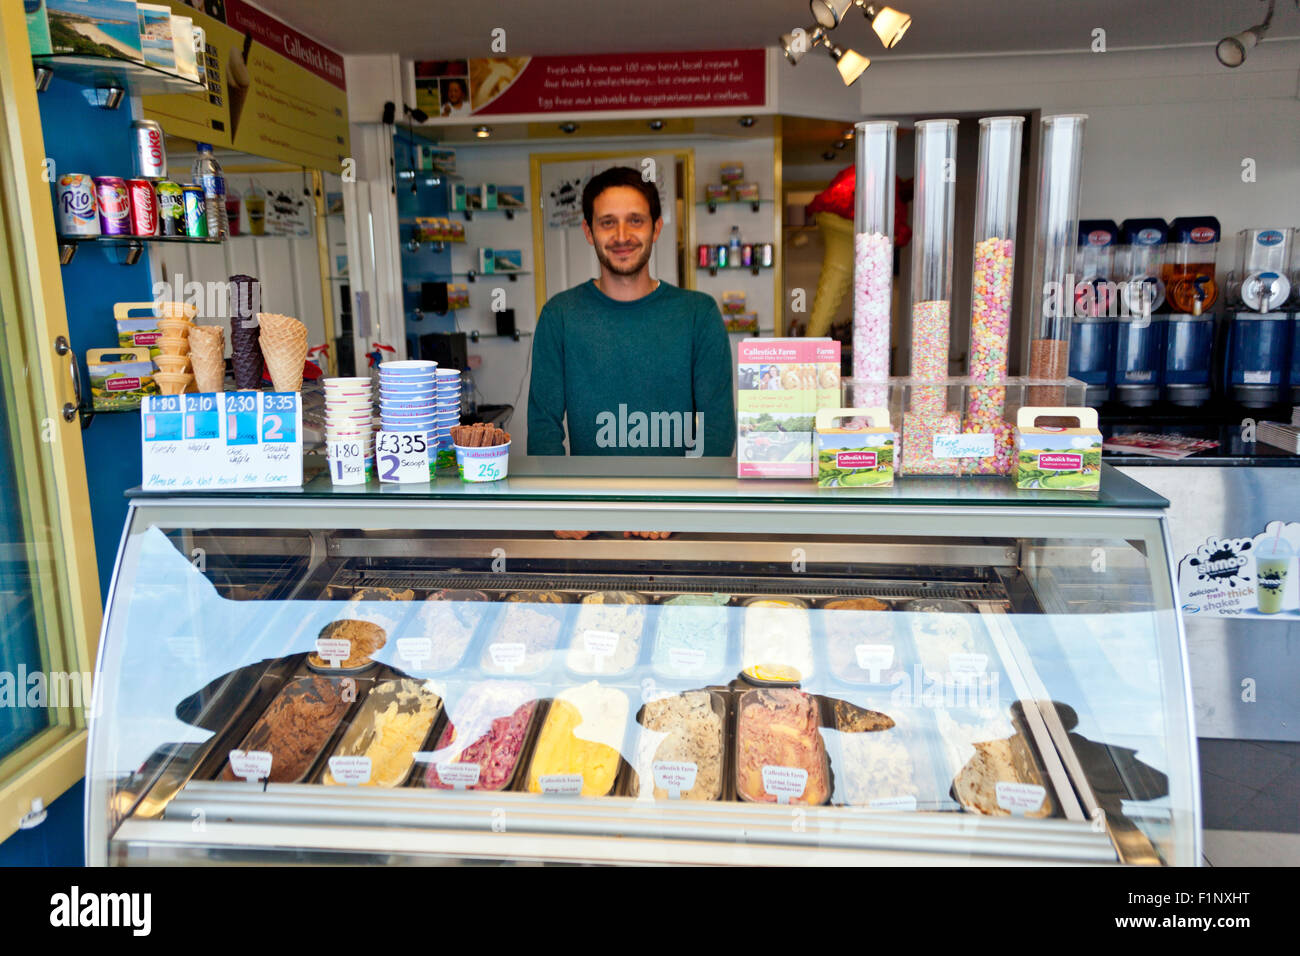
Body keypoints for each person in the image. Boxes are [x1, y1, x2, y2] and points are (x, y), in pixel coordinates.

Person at [527, 166, 736, 459]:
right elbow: (542, 429)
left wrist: (692, 498)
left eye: (635, 220)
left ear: (656, 228)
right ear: (589, 232)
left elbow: (718, 427)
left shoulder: (699, 314)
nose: (622, 236)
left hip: (678, 499)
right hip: (590, 500)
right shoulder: (559, 316)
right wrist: (567, 500)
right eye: (608, 222)